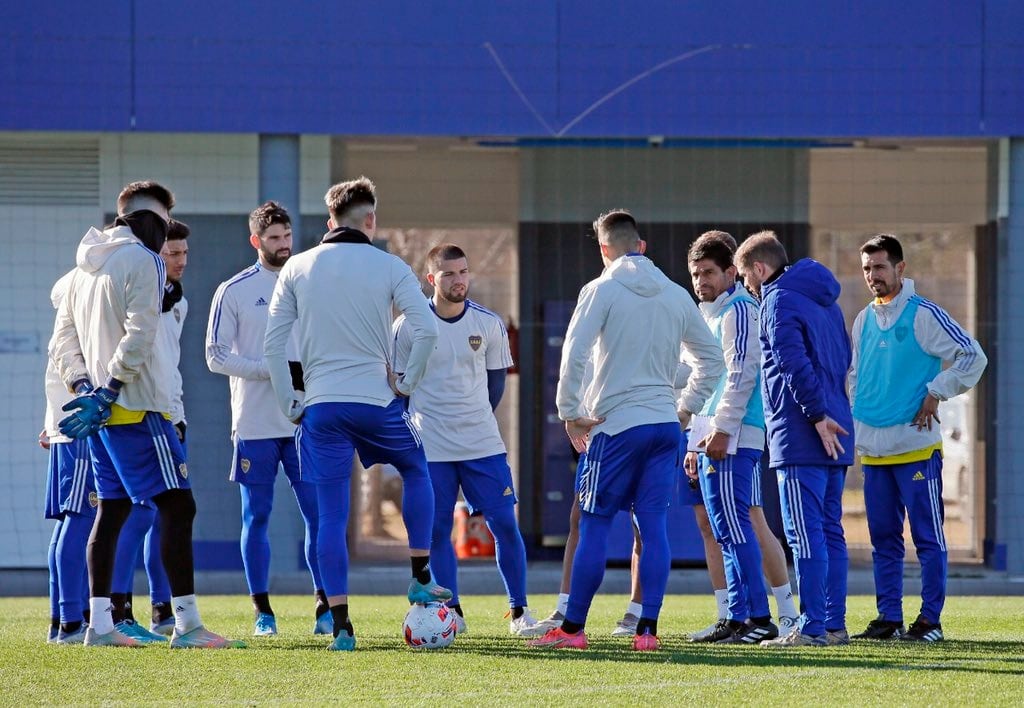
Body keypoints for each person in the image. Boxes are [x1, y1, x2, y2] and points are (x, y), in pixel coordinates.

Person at [51, 180, 243, 649]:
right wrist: (112, 388)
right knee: (179, 506)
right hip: (137, 408)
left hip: (100, 415)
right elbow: (139, 333)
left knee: (113, 510)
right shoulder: (145, 260)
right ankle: (186, 623)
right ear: (149, 219)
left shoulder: (80, 273)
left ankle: (98, 625)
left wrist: (86, 390)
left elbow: (63, 343)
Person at [264, 176, 448, 652]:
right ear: (371, 220)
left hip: (321, 408)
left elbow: (273, 345)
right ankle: (420, 575)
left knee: (329, 517)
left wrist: (291, 402)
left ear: (330, 221)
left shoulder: (297, 266)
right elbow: (425, 332)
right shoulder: (390, 266)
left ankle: (341, 625)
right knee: (415, 466)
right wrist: (405, 384)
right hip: (377, 402)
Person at [528, 209, 724, 651]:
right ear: (642, 246)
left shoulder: (601, 289)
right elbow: (710, 362)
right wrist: (685, 409)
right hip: (662, 427)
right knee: (653, 527)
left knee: (593, 524)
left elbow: (574, 354)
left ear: (603, 250)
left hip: (616, 427)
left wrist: (569, 411)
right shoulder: (676, 295)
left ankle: (573, 630)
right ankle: (647, 632)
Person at [392, 242, 543, 637]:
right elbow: (399, 390)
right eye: (449, 274)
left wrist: (471, 416)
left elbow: (496, 386)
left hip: (482, 445)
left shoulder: (488, 323)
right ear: (431, 279)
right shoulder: (408, 325)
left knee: (504, 526)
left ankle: (519, 612)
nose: (459, 281)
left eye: (463, 272)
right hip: (432, 447)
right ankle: (452, 612)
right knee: (438, 531)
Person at [849, 235, 987, 642]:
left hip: (915, 447)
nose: (872, 275)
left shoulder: (924, 314)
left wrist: (936, 390)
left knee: (927, 537)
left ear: (900, 268)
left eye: (879, 267)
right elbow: (856, 377)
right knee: (884, 541)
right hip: (875, 452)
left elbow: (972, 355)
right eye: (867, 268)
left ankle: (930, 622)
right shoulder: (862, 320)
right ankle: (888, 618)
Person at [206, 201, 328, 637]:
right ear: (256, 241)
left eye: (287, 236)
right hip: (255, 424)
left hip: (303, 422)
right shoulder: (233, 290)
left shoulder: (311, 283)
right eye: (274, 238)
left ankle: (326, 607)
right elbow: (215, 356)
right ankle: (263, 612)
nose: (283, 245)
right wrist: (271, 370)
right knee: (257, 515)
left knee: (319, 516)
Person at [734, 230, 852, 648]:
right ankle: (834, 624)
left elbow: (790, 363)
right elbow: (843, 359)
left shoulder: (777, 300)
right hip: (838, 427)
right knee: (830, 530)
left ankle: (813, 626)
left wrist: (816, 416)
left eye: (747, 278)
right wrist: (827, 413)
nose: (747, 287)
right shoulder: (828, 301)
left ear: (761, 270)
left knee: (805, 534)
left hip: (804, 433)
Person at [682, 231, 797, 642]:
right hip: (712, 431)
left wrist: (723, 429)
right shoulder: (709, 313)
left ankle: (759, 618)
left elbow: (741, 375)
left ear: (732, 271)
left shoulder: (741, 310)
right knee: (724, 527)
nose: (701, 281)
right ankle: (736, 615)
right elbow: (701, 381)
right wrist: (697, 435)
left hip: (736, 432)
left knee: (738, 524)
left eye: (709, 272)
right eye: (695, 274)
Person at [108, 220, 192, 643]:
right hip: (139, 414)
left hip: (169, 416)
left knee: (164, 515)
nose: (179, 260)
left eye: (183, 253)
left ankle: (162, 609)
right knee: (139, 511)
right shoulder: (138, 296)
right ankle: (115, 610)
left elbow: (168, 365)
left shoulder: (179, 301)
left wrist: (177, 414)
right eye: (171, 253)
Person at [41, 270, 94, 644]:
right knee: (81, 519)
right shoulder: (82, 300)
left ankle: (62, 619)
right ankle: (72, 621)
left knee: (68, 523)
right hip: (78, 428)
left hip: (65, 428)